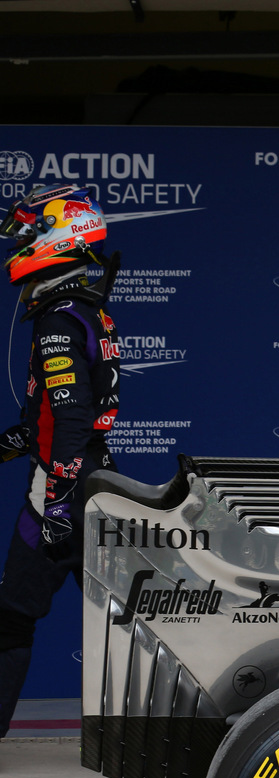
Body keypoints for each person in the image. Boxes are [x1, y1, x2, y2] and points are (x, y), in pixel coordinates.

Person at [0, 185, 121, 739]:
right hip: (94, 481)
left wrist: (55, 502)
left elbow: (69, 420)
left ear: (58, 237)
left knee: (10, 618)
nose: (20, 246)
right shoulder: (86, 311)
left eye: (29, 234)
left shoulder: (57, 320)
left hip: (64, 487)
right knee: (129, 624)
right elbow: (57, 416)